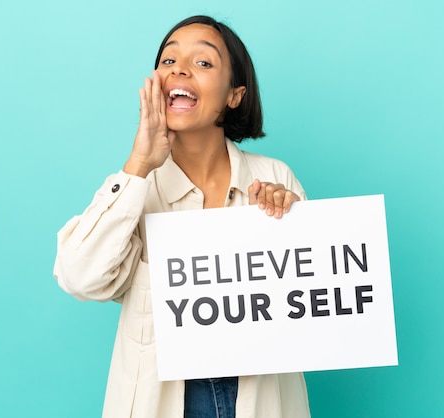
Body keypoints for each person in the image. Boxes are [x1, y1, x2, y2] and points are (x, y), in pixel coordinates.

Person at [53, 15, 311, 418]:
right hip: (167, 400)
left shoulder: (275, 177)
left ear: (234, 95)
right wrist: (138, 164)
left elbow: (310, 312)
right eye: (169, 60)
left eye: (204, 63)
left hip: (258, 398)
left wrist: (290, 220)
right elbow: (79, 276)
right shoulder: (138, 186)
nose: (180, 69)